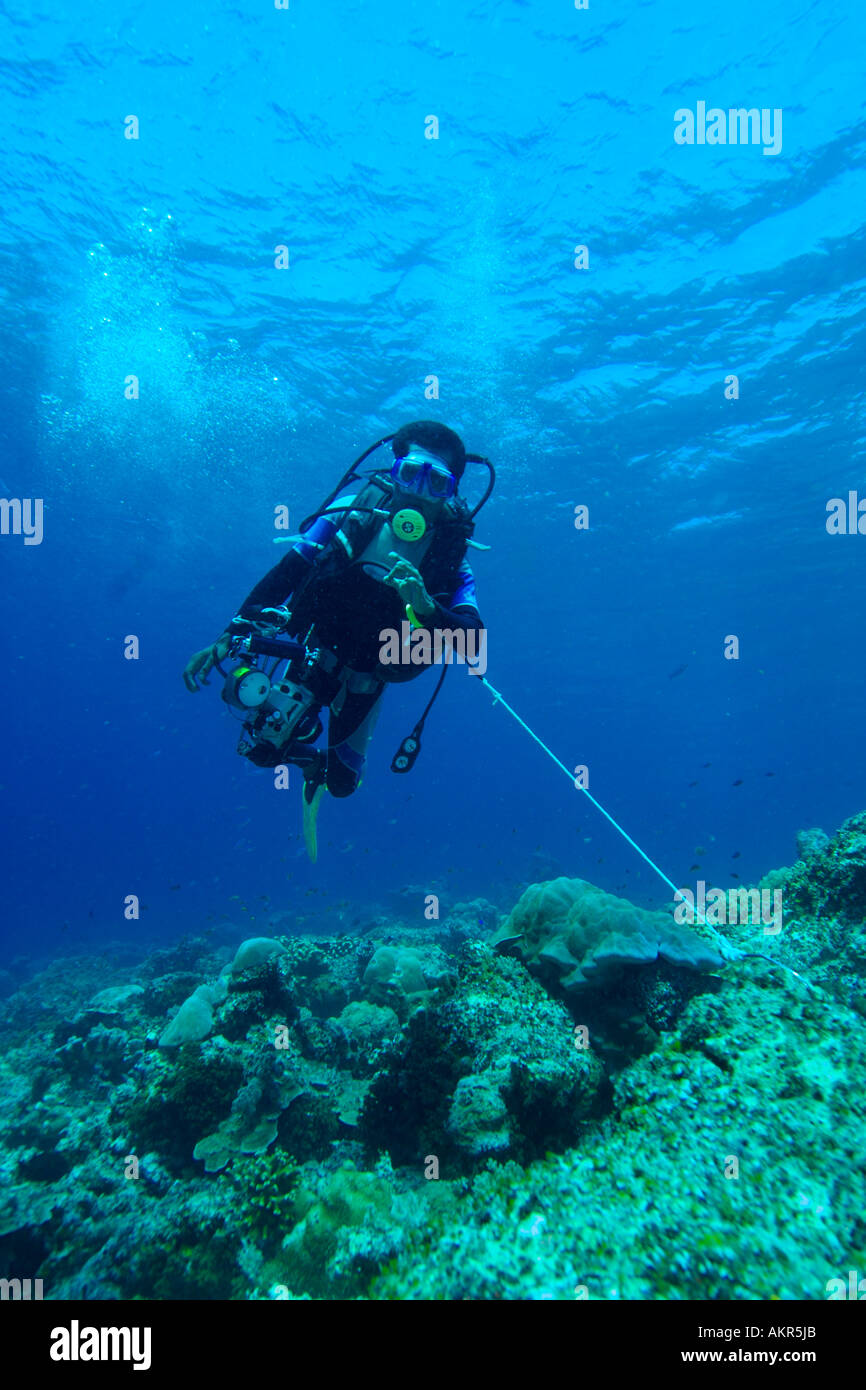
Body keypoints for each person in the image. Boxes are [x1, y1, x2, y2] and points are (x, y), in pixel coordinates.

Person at [182, 421, 485, 852]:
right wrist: (227, 635)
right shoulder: (351, 514)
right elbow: (286, 573)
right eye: (409, 473)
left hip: (369, 678)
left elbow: (474, 643)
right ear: (394, 471)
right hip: (312, 655)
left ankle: (321, 768)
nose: (417, 491)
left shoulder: (452, 562)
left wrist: (427, 608)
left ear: (451, 493)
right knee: (263, 752)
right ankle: (304, 754)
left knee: (343, 784)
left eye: (436, 482)